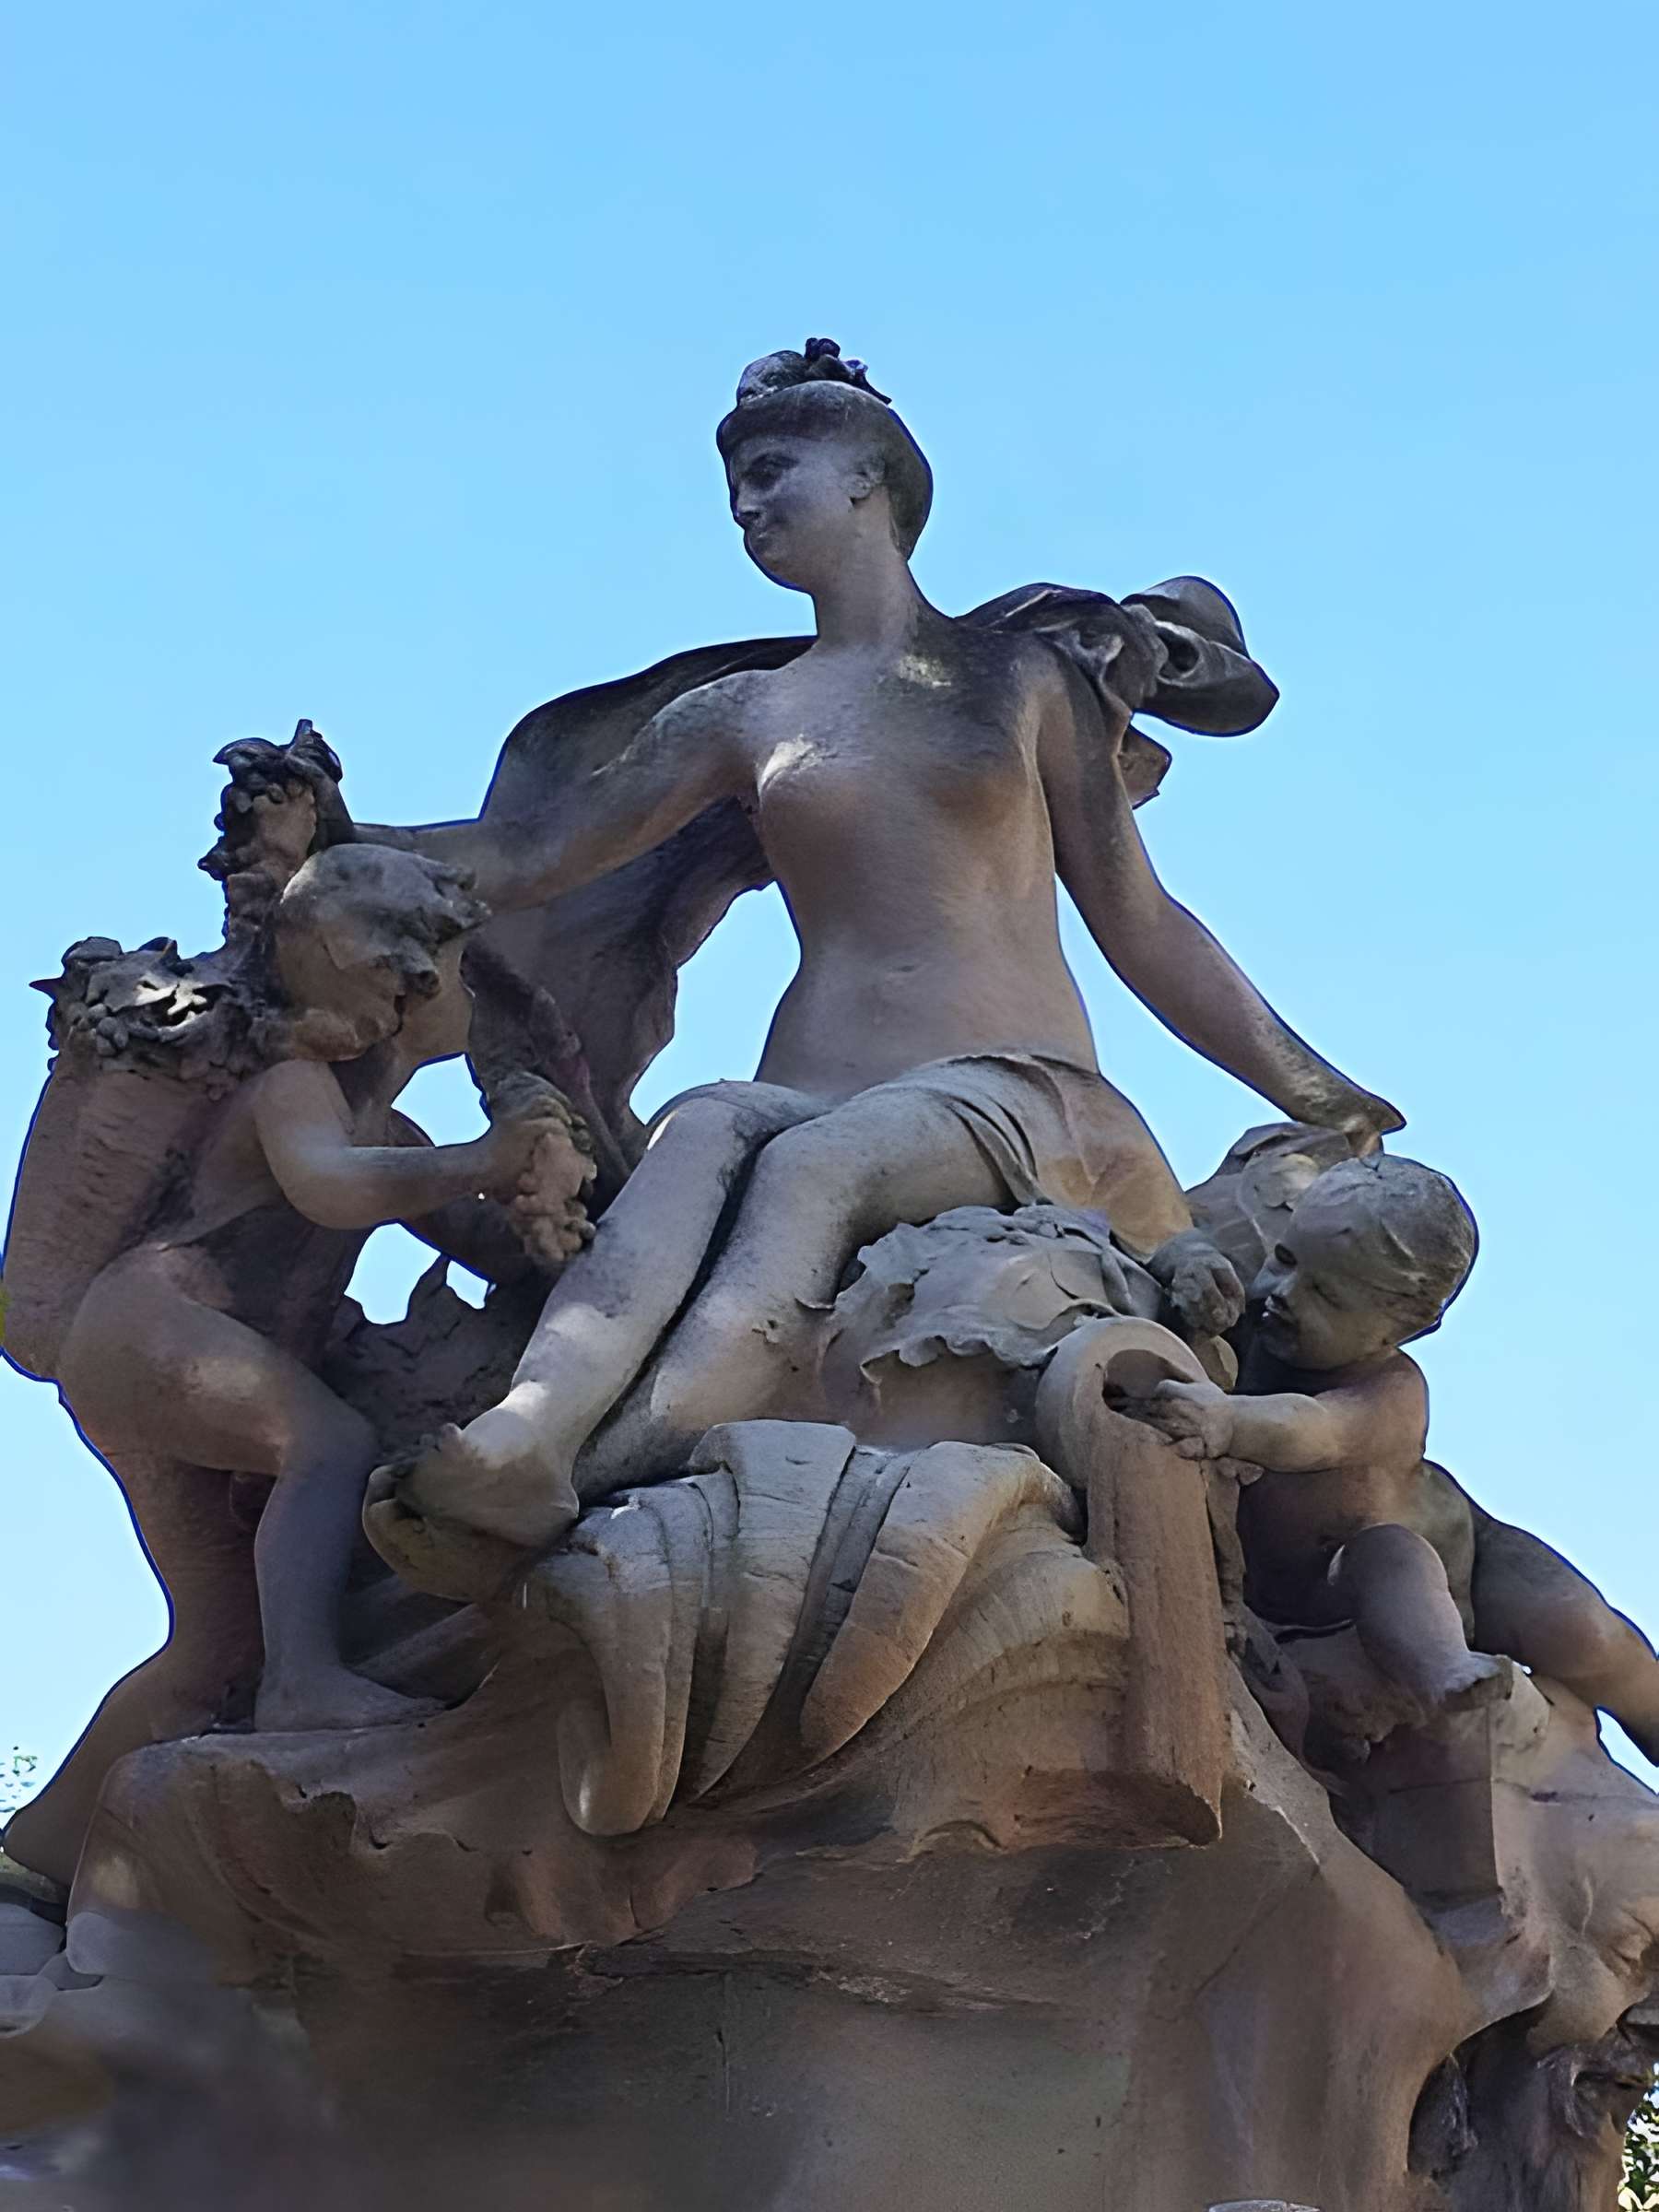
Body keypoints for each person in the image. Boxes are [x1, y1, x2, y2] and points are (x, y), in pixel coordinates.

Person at [284, 340, 1405, 1569]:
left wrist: (1314, 1088)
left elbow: (1142, 920)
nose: (745, 506)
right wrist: (339, 833)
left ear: (870, 478)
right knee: (699, 1128)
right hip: (814, 1079)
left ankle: (607, 1467)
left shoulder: (1016, 680)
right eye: (734, 490)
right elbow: (530, 854)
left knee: (811, 1170)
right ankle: (527, 1432)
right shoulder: (745, 712)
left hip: (1014, 1089)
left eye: (772, 472)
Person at [1, 844, 590, 1888]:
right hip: (159, 1319)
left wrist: (552, 1214)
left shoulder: (387, 1124)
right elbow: (332, 1189)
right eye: (465, 972)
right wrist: (483, 1160)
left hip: (148, 1357)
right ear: (405, 986)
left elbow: (475, 1238)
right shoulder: (296, 1084)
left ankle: (34, 1858)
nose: (479, 999)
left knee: (213, 1646)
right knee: (327, 1441)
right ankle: (306, 1683)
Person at [1147, 1155, 1659, 1759]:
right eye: (1284, 1259)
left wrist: (1229, 1421)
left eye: (1327, 1296)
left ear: (1404, 1330)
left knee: (1581, 1632)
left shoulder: (1393, 1390)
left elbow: (1315, 1430)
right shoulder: (1256, 1311)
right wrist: (1190, 1264)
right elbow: (1167, 1247)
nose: (1284, 1293)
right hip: (1303, 1590)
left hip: (1457, 1557)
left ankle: (1446, 1670)